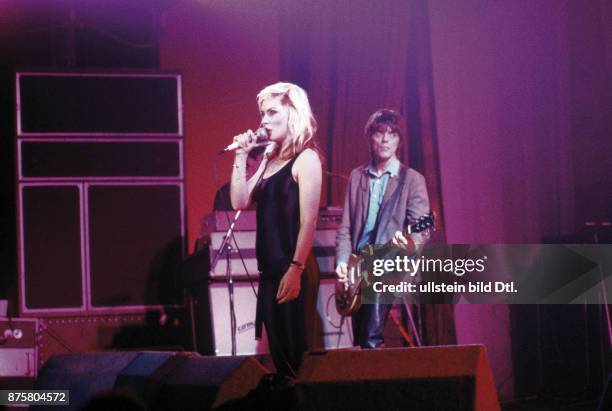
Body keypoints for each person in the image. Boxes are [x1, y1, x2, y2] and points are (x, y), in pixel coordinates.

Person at [230, 82, 322, 377]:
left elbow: (309, 221)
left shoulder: (306, 159)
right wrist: (241, 156)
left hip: (293, 267)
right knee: (280, 360)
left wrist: (295, 269)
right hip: (270, 271)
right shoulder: (270, 158)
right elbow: (239, 201)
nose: (263, 121)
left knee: (297, 357)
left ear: (293, 113)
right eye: (261, 114)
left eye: (271, 112)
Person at [335, 109, 430, 348]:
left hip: (390, 262)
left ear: (399, 140)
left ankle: (373, 360)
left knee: (369, 337)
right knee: (358, 339)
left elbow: (421, 231)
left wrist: (407, 244)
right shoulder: (358, 176)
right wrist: (342, 263)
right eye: (380, 133)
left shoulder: (412, 179)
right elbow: (345, 228)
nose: (386, 139)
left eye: (392, 134)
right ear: (370, 137)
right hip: (359, 264)